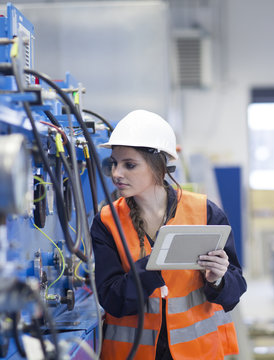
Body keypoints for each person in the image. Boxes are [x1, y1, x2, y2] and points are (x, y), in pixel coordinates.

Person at [91, 109, 247, 360]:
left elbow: (235, 291)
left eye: (129, 164)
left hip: (197, 353)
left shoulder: (204, 212)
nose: (116, 173)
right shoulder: (107, 221)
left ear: (159, 167)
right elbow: (111, 299)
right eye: (114, 163)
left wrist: (218, 279)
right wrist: (151, 269)